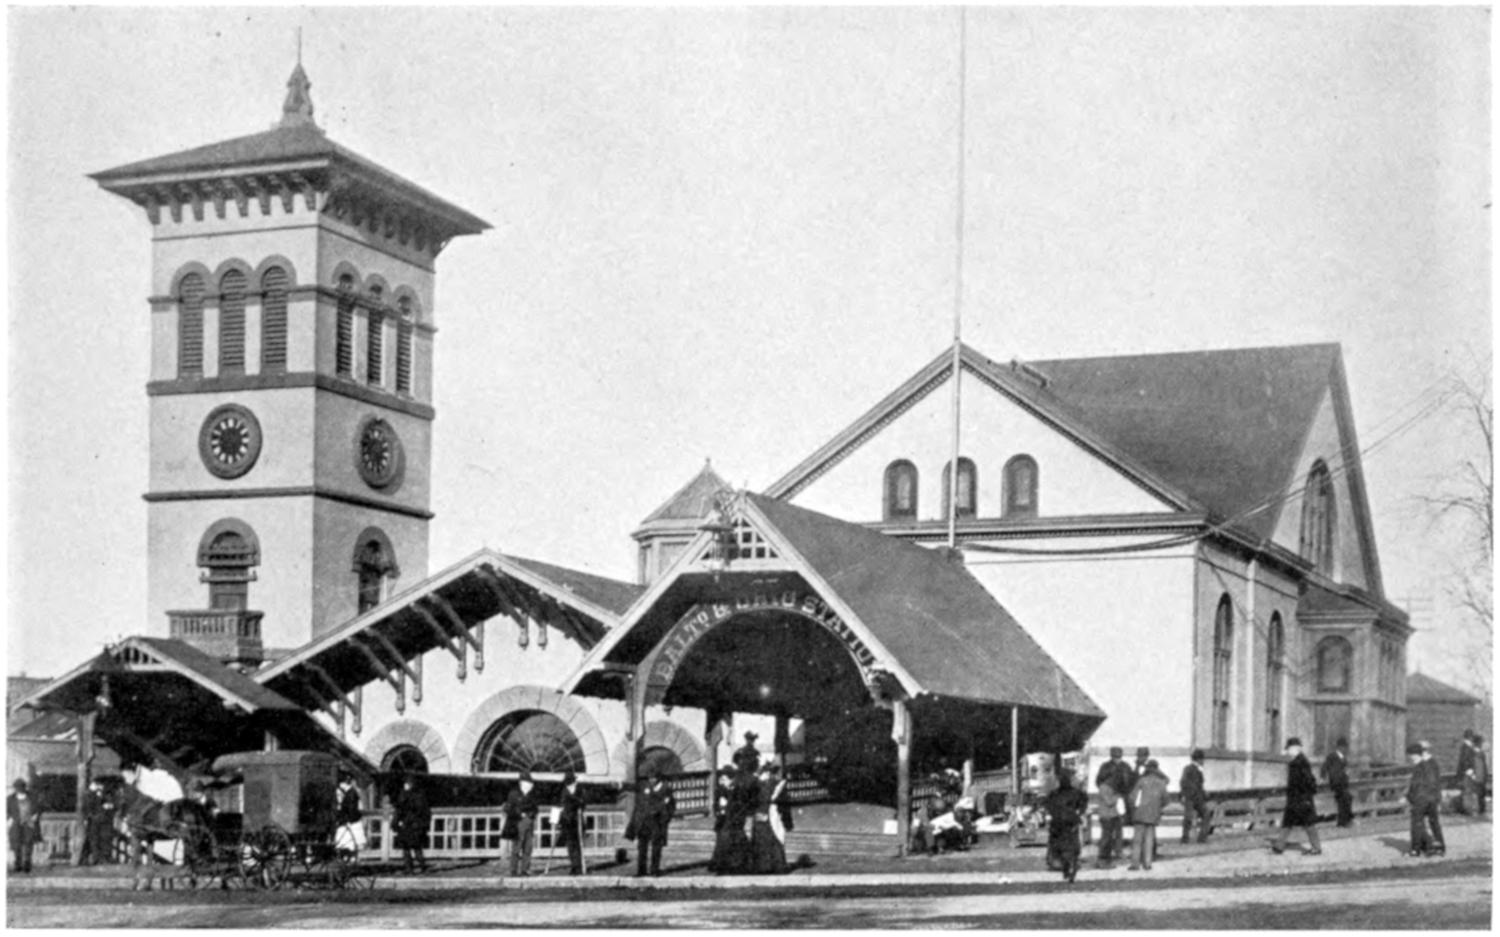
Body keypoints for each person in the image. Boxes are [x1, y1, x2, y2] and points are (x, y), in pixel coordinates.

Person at [1270, 737, 1321, 856]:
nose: (1287, 751)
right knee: (1288, 822)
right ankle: (1279, 846)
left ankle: (1316, 848)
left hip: (1301, 799)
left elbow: (1309, 781)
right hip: (1296, 799)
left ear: (1295, 749)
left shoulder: (1300, 762)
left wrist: (1306, 796)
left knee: (1308, 824)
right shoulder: (1298, 761)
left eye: (1289, 749)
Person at [1044, 768, 1089, 883]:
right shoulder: (1076, 793)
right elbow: (1084, 802)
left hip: (1058, 823)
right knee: (1073, 845)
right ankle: (1072, 864)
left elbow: (1048, 806)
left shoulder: (1054, 794)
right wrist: (1079, 813)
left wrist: (1053, 815)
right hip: (1071, 821)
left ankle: (1065, 866)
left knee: (1059, 846)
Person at [628, 767, 675, 877]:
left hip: (657, 821)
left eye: (654, 778)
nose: (652, 780)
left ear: (659, 778)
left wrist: (665, 819)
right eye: (650, 778)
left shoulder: (665, 789)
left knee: (656, 846)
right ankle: (641, 870)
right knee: (642, 846)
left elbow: (671, 806)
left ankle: (654, 870)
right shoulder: (645, 786)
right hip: (644, 821)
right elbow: (634, 789)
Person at [1128, 759, 1168, 871]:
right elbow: (1166, 799)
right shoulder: (1161, 783)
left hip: (1140, 813)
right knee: (1149, 839)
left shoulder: (1141, 781)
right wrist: (1158, 806)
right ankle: (1147, 863)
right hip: (1153, 814)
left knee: (1137, 840)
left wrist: (1133, 808)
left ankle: (1135, 863)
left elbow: (1132, 797)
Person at [1094, 747, 1131, 868]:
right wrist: (1109, 792)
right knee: (1108, 833)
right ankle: (1107, 856)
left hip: (1121, 798)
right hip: (1113, 799)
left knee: (1118, 828)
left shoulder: (1124, 766)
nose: (1117, 759)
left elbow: (1130, 782)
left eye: (1119, 757)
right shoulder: (1106, 767)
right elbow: (1099, 782)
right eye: (1115, 757)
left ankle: (1118, 851)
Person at [1406, 741, 1445, 857]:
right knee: (1434, 823)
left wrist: (1410, 797)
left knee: (1417, 824)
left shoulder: (1421, 766)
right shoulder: (1430, 765)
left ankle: (1416, 849)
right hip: (1431, 798)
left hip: (1422, 799)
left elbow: (1416, 785)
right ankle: (1439, 847)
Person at [749, 763, 788, 874]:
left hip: (762, 813)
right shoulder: (776, 784)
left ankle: (763, 866)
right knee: (773, 839)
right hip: (770, 813)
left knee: (763, 840)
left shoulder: (759, 784)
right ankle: (775, 865)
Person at [710, 766, 749, 874]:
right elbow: (715, 805)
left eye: (725, 779)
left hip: (734, 820)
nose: (722, 782)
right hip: (723, 820)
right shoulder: (720, 790)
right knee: (722, 842)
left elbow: (742, 806)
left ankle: (736, 865)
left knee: (735, 842)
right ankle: (721, 865)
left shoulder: (738, 790)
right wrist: (719, 810)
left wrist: (728, 806)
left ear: (731, 779)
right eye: (721, 779)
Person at [503, 771, 541, 877]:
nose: (530, 786)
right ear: (522, 783)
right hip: (517, 823)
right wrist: (520, 813)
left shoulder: (532, 795)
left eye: (531, 784)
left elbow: (536, 809)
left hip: (529, 823)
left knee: (528, 847)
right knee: (516, 848)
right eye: (528, 783)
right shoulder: (514, 794)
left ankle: (525, 869)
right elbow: (507, 808)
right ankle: (513, 870)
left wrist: (531, 815)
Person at [391, 774, 431, 874]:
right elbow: (426, 812)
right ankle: (419, 866)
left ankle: (412, 867)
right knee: (413, 848)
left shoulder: (406, 796)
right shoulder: (418, 796)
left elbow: (399, 810)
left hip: (409, 824)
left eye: (407, 784)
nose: (405, 785)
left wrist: (395, 822)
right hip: (413, 825)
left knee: (409, 848)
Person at [8, 779, 42, 874]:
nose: (19, 790)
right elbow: (6, 811)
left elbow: (39, 808)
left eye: (21, 787)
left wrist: (36, 815)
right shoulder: (10, 799)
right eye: (17, 788)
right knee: (16, 844)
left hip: (29, 824)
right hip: (16, 824)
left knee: (28, 844)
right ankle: (17, 864)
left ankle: (27, 865)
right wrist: (9, 819)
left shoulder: (32, 797)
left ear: (25, 787)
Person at [1179, 749, 1211, 844]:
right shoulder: (1191, 769)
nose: (1203, 761)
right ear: (1199, 759)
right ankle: (1199, 838)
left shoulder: (1192, 769)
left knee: (1190, 817)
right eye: (1202, 759)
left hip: (1193, 797)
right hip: (1192, 798)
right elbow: (1185, 783)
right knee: (1195, 816)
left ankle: (1187, 838)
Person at [557, 771, 586, 876]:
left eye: (573, 782)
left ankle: (579, 866)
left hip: (577, 821)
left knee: (578, 845)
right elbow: (563, 806)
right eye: (570, 783)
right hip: (567, 822)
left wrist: (578, 803)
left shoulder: (580, 791)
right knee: (570, 845)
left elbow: (583, 804)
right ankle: (574, 865)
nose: (572, 785)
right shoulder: (564, 792)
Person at [334, 772, 366, 856]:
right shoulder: (350, 793)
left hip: (351, 821)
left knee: (348, 839)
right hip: (351, 820)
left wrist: (347, 819)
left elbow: (351, 809)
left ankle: (349, 854)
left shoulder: (351, 794)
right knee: (350, 840)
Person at [1458, 730, 1478, 815]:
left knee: (1467, 791)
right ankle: (1468, 810)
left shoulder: (1466, 746)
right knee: (1468, 791)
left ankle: (1467, 809)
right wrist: (1471, 772)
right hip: (1467, 773)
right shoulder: (1466, 747)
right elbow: (1465, 761)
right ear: (1470, 737)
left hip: (1467, 772)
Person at [1473, 736, 1488, 816]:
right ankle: (1480, 809)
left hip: (1481, 776)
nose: (1482, 744)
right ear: (1477, 743)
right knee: (1479, 794)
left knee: (1482, 793)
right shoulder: (1474, 753)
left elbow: (1483, 766)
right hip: (1477, 777)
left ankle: (1482, 809)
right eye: (1481, 742)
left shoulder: (1481, 753)